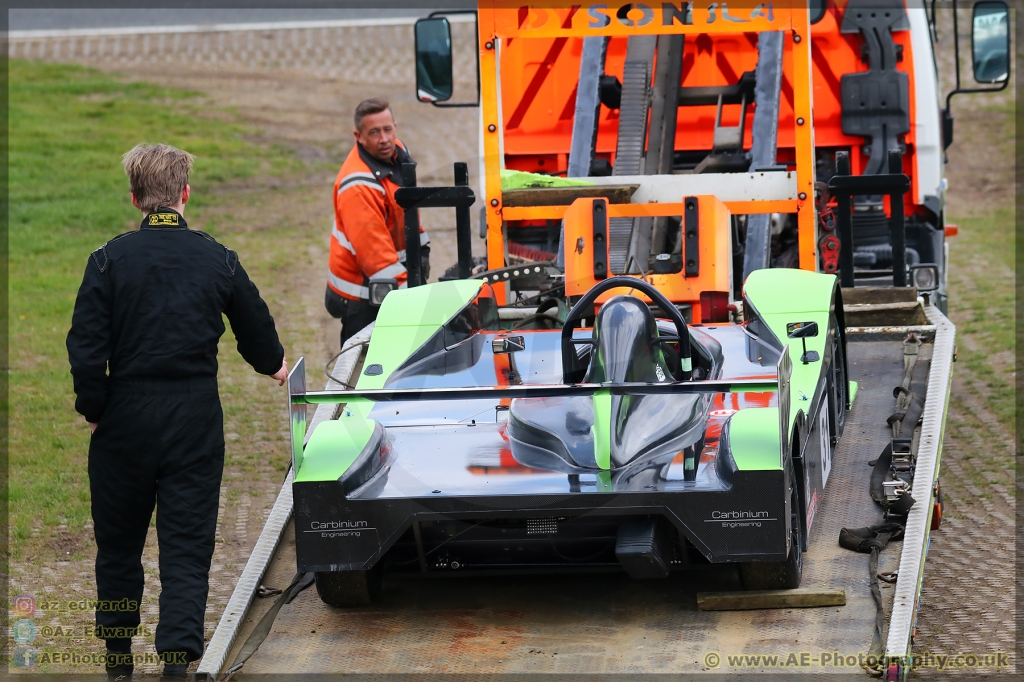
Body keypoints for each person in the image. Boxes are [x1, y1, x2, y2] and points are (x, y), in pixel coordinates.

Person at [66, 144, 287, 680]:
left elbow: (86, 348)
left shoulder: (107, 259)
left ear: (135, 198)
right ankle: (176, 663)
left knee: (117, 548)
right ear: (186, 194)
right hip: (194, 416)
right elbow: (258, 334)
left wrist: (94, 408)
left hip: (125, 417)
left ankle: (118, 662)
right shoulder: (219, 257)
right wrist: (276, 367)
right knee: (186, 549)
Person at [325, 97, 430, 347]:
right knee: (364, 375)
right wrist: (419, 304)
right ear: (358, 136)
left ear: (395, 126)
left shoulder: (397, 153)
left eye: (387, 129)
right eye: (374, 132)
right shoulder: (357, 186)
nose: (384, 139)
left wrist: (421, 248)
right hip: (362, 299)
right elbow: (377, 259)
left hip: (386, 285)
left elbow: (406, 210)